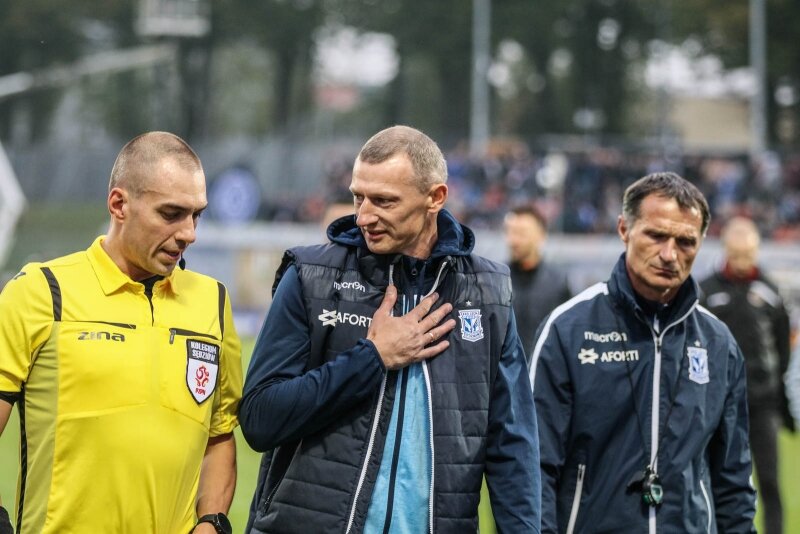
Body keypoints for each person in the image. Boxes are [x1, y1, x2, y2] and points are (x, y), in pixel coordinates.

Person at [239, 125, 540, 533]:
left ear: (435, 197)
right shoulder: (311, 277)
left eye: (384, 201)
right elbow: (260, 419)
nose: (363, 216)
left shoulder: (488, 292)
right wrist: (372, 358)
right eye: (358, 197)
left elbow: (512, 448)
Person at [0, 132, 242, 534]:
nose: (189, 233)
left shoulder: (213, 302)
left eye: (196, 215)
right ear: (119, 205)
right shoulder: (42, 291)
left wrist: (211, 521)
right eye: (171, 214)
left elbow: (219, 435)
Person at [531, 172, 756, 533]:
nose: (669, 254)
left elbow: (733, 479)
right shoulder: (568, 329)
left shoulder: (718, 343)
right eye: (656, 235)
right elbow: (534, 466)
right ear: (624, 229)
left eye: (685, 242)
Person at [699, 216, 793, 534]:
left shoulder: (770, 291)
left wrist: (773, 385)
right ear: (726, 250)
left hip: (762, 403)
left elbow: (782, 347)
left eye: (747, 254)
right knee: (714, 479)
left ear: (756, 251)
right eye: (736, 254)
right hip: (717, 403)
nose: (742, 261)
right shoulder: (706, 291)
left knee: (769, 480)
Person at [504, 203, 572, 354]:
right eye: (510, 232)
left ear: (541, 235)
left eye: (521, 233)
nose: (513, 240)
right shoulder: (496, 280)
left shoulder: (558, 282)